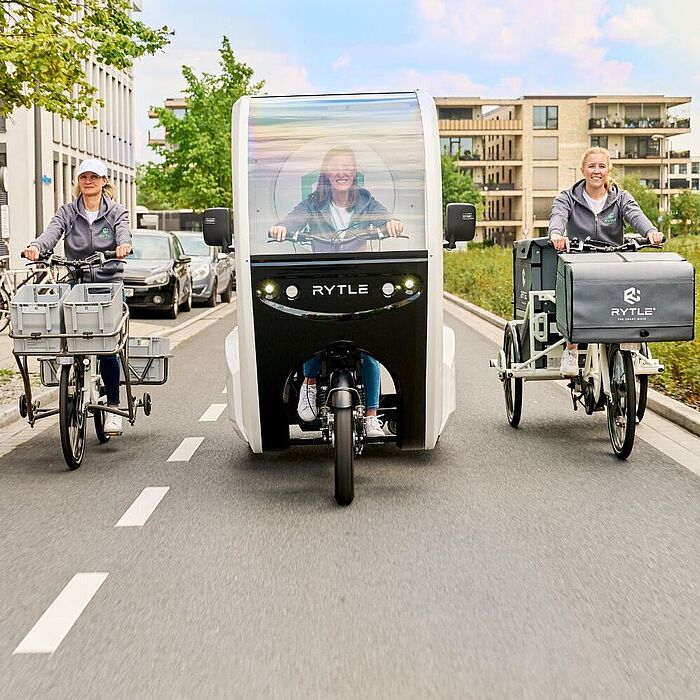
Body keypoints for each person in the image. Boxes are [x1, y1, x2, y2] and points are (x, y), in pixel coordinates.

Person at [268, 146, 404, 437]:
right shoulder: (313, 203)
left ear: (354, 172)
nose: (341, 172)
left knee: (370, 347)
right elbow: (291, 220)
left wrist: (392, 224)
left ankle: (371, 415)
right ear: (326, 173)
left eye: (347, 167)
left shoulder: (367, 202)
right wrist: (280, 228)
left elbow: (387, 218)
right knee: (308, 325)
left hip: (360, 279)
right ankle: (309, 386)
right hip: (322, 278)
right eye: (335, 167)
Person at [23, 158, 132, 435]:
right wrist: (36, 247)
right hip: (75, 281)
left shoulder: (116, 212)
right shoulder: (68, 212)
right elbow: (51, 233)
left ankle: (115, 409)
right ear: (78, 182)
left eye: (94, 177)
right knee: (67, 337)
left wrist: (123, 245)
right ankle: (72, 381)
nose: (89, 181)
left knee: (107, 343)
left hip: (108, 283)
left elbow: (123, 232)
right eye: (84, 177)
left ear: (104, 181)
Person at [548, 146, 664, 376]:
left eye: (601, 166)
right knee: (572, 297)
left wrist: (651, 231)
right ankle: (571, 350)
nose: (596, 171)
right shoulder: (567, 197)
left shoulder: (620, 197)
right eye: (591, 166)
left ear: (608, 169)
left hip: (613, 261)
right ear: (583, 170)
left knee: (630, 298)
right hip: (580, 261)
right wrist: (556, 235)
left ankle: (630, 347)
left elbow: (635, 216)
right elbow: (558, 217)